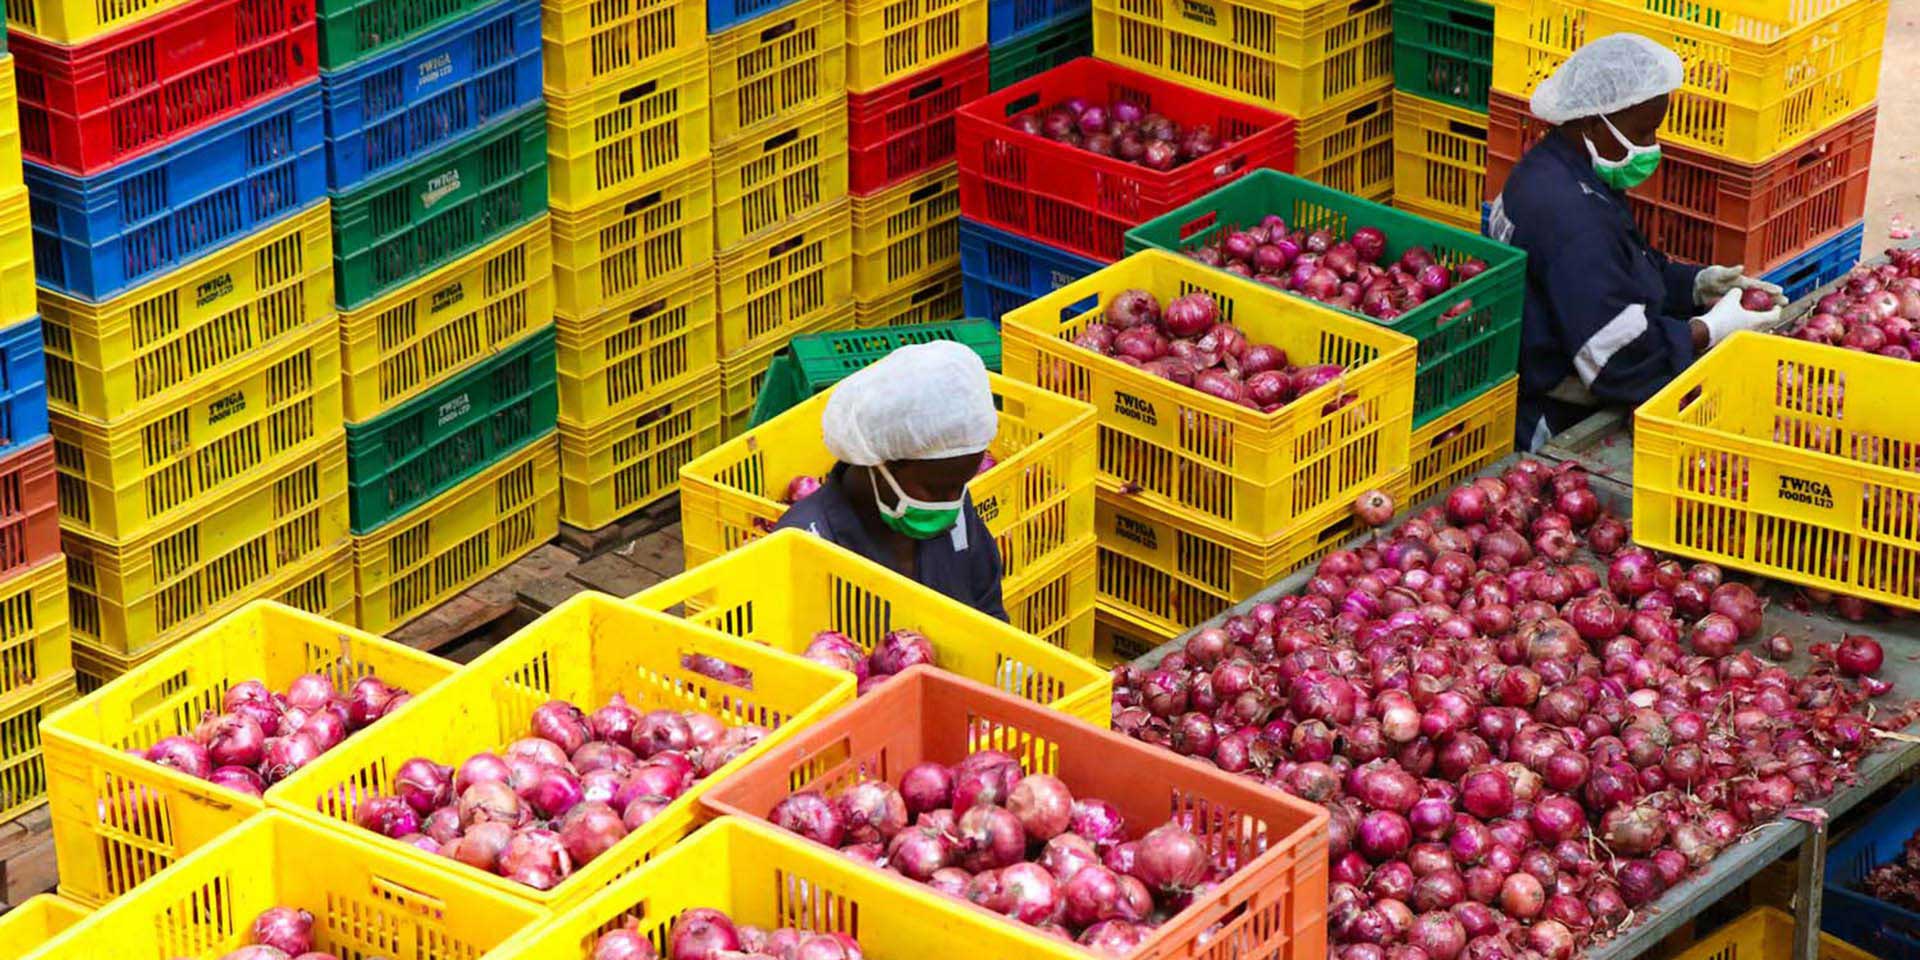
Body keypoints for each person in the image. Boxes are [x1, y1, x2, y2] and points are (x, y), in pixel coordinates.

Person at [1486, 33, 1786, 452]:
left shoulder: (1556, 165)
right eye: (1643, 133)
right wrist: (1708, 330)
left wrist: (1695, 284)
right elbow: (1617, 359)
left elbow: (1621, 265)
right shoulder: (1573, 219)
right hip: (1555, 413)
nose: (1650, 148)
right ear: (1592, 122)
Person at [773, 340, 1008, 620]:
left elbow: (988, 607)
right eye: (936, 490)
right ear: (880, 461)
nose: (951, 505)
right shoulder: (806, 541)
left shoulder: (954, 508)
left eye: (961, 486)